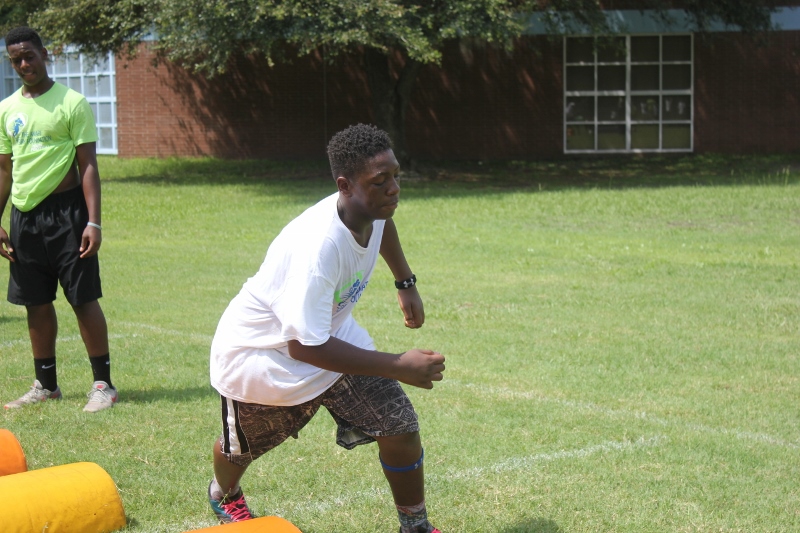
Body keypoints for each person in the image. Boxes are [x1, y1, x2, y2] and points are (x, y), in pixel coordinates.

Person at [207, 123, 445, 533]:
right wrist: (398, 365)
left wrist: (405, 282)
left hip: (326, 335)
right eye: (380, 181)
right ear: (344, 185)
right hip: (265, 356)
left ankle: (415, 527)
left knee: (399, 425)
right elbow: (303, 347)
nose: (393, 189)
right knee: (241, 448)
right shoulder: (318, 249)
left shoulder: (369, 208)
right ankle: (223, 494)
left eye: (396, 176)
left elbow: (383, 225)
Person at [0, 27, 117, 413]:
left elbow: (88, 166)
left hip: (68, 215)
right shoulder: (6, 109)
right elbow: (4, 170)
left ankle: (103, 385)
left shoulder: (72, 102)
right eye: (15, 59)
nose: (23, 64)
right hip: (24, 218)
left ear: (44, 54)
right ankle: (46, 385)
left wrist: (94, 222)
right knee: (34, 301)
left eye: (29, 56)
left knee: (82, 298)